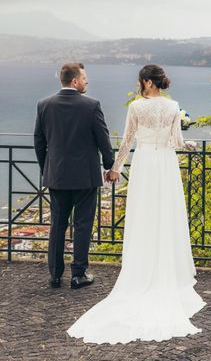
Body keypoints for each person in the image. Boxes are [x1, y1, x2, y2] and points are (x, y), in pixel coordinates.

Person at [66, 64, 205, 344]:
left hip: (144, 164)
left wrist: (115, 168)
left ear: (146, 82)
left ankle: (142, 266)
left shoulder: (136, 107)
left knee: (144, 216)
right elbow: (176, 141)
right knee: (166, 214)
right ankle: (168, 266)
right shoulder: (173, 107)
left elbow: (127, 140)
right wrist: (188, 144)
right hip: (165, 164)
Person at [34, 62, 115, 290]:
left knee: (57, 225)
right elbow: (103, 140)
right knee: (82, 225)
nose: (87, 81)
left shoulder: (44, 105)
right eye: (85, 77)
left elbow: (39, 142)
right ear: (75, 81)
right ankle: (78, 275)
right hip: (85, 177)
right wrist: (110, 165)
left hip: (57, 176)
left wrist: (47, 169)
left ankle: (55, 276)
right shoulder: (91, 106)